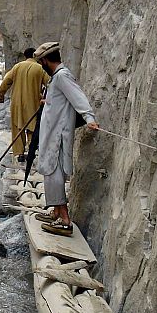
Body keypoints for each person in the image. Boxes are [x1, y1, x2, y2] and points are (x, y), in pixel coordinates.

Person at [33, 41, 99, 237]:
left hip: (57, 136)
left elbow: (78, 98)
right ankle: (56, 212)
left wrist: (89, 117)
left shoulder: (62, 76)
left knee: (54, 173)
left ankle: (64, 219)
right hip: (52, 133)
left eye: (41, 62)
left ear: (45, 60)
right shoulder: (57, 78)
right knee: (50, 171)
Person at [0, 47, 49, 162]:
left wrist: (1, 94)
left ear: (25, 56)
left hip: (16, 103)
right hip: (33, 102)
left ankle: (19, 153)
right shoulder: (40, 68)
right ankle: (32, 151)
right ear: (35, 56)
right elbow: (50, 83)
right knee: (32, 126)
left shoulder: (17, 67)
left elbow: (7, 81)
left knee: (17, 126)